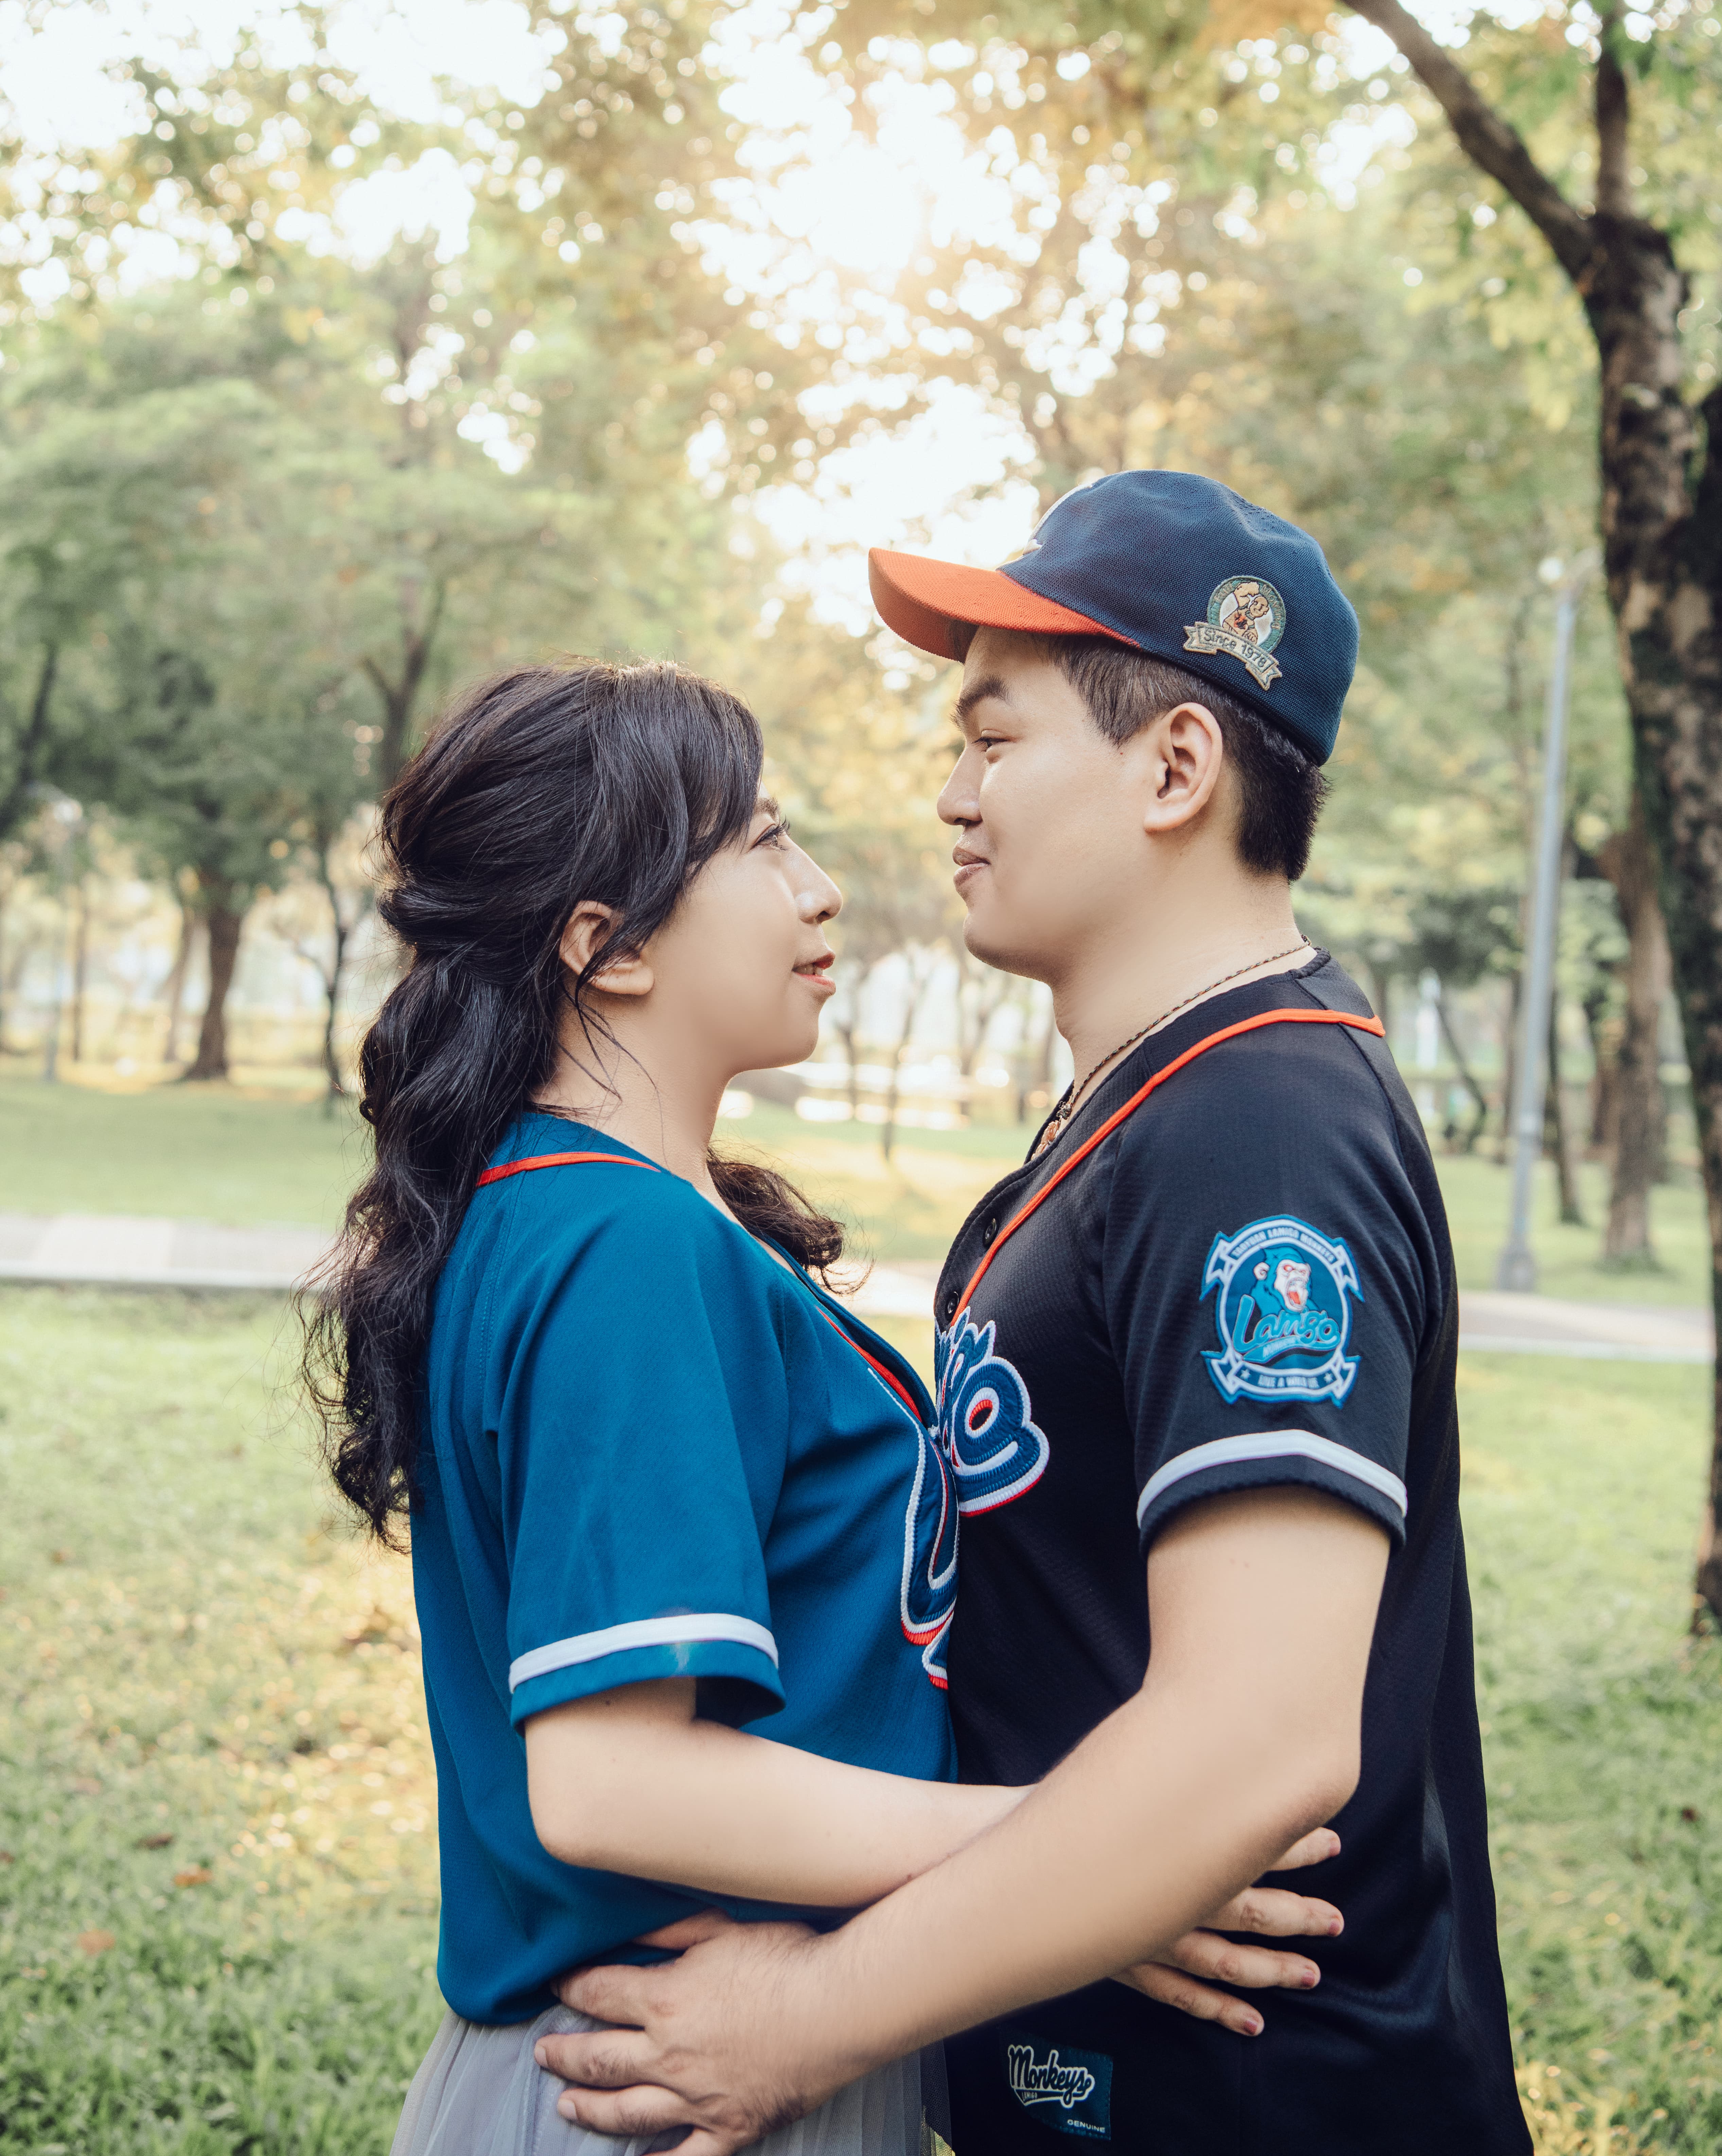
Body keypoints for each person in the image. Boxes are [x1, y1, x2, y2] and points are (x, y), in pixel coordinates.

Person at [538, 473, 1532, 2156]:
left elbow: (1256, 1740)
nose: (951, 795)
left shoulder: (1259, 1127)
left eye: (994, 739)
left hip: (1264, 2105)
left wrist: (803, 2016)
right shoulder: (1153, 1107)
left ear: (1175, 768)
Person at [300, 654, 1340, 2156]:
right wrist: (1099, 1864)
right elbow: (611, 1781)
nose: (822, 888)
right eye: (765, 842)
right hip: (663, 2074)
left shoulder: (585, 1212)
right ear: (609, 946)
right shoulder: (619, 1243)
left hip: (685, 2051)